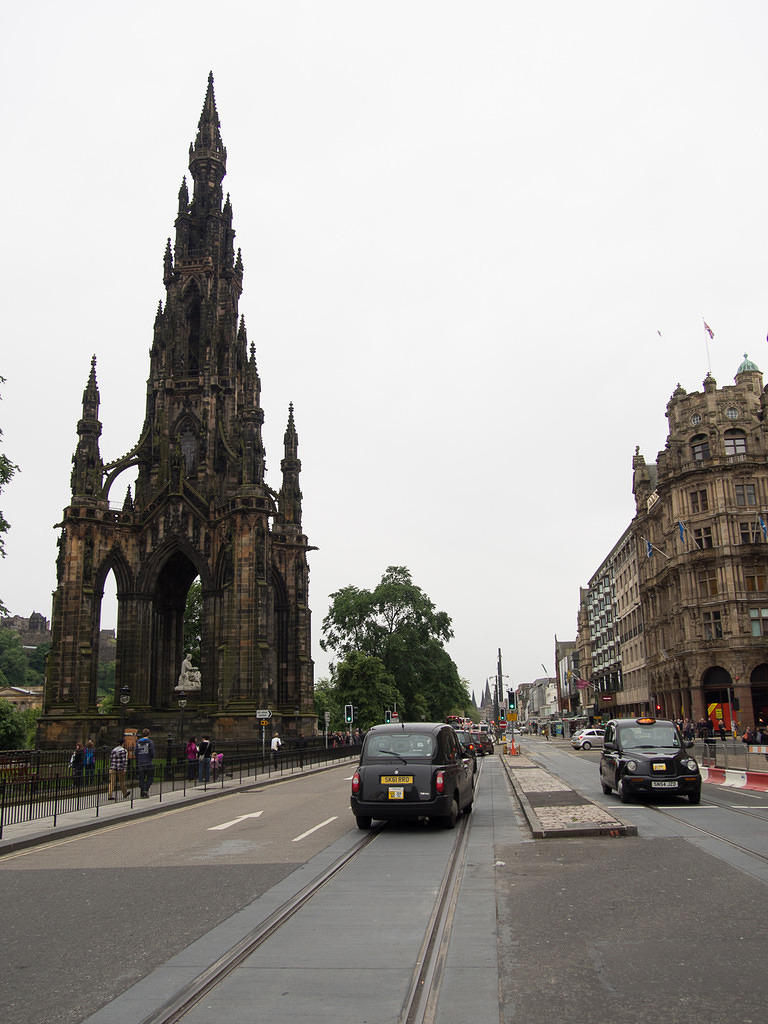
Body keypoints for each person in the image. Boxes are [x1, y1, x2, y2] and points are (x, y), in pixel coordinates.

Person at [135, 728, 155, 798]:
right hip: (148, 762)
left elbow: (136, 752)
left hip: (140, 762)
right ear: (149, 734)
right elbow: (152, 753)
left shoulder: (138, 742)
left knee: (141, 778)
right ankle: (146, 790)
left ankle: (142, 791)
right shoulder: (150, 742)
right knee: (150, 777)